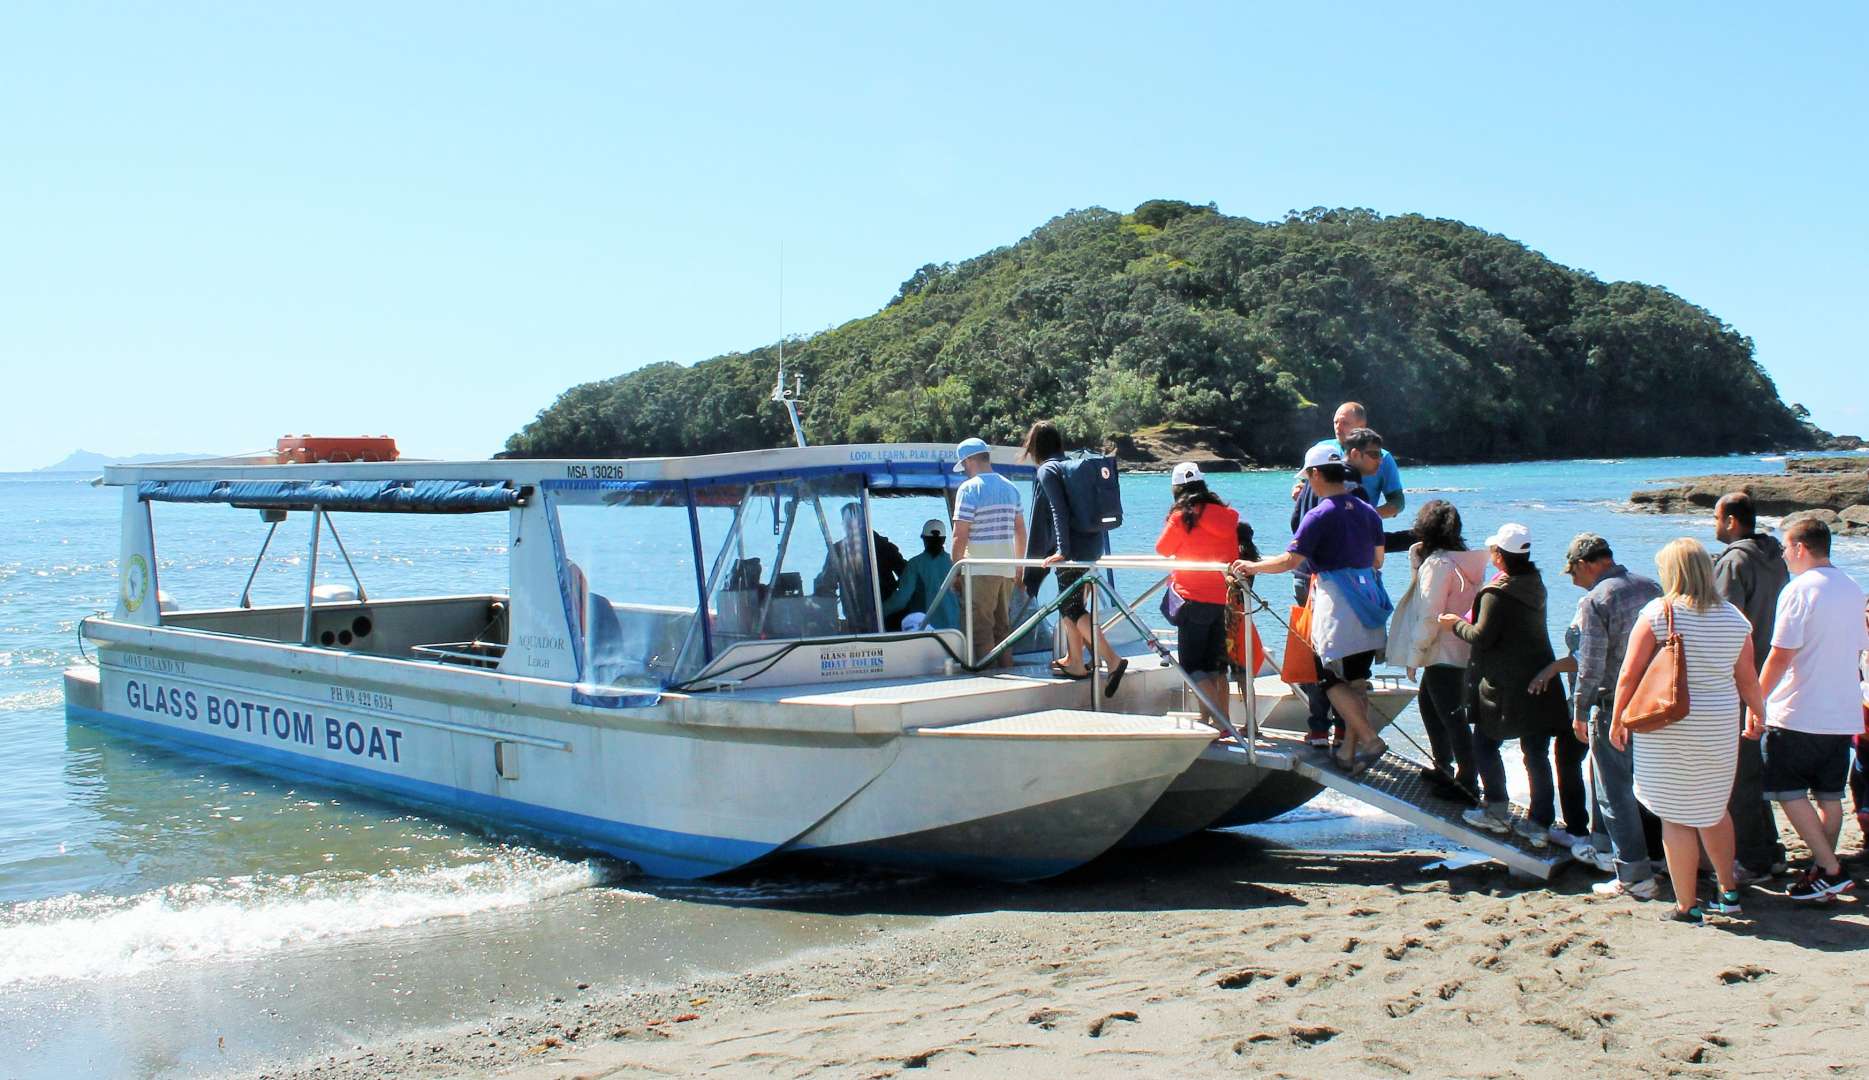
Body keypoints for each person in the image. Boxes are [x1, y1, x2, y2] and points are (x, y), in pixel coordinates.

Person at [1609, 539, 1766, 925]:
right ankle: (1728, 893)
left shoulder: (1659, 613)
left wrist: (1617, 718)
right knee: (1714, 810)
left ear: (1672, 572)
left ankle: (1686, 905)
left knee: (1675, 817)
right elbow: (1747, 678)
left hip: (1669, 724)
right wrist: (1758, 715)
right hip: (1717, 725)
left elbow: (1629, 673)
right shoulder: (1734, 618)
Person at [1234, 444, 1389, 774]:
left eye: (1307, 477)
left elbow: (1292, 561)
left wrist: (1252, 566)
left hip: (1338, 604)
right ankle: (1348, 753)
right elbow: (1378, 559)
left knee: (1328, 679)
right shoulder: (1368, 511)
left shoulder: (1318, 515)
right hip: (1369, 603)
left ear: (1316, 475)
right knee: (1357, 680)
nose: (1307, 483)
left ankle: (1370, 740)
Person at [1438, 524, 1575, 846]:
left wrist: (1453, 623)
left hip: (1506, 686)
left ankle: (1497, 811)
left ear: (1499, 556)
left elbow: (1480, 637)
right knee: (1536, 753)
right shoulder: (1534, 583)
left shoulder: (1497, 593)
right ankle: (1540, 822)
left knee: (1484, 745)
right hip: (1540, 679)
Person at [1542, 533, 1664, 896]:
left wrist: (1579, 709)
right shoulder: (1651, 586)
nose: (1574, 580)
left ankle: (1633, 874)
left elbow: (1591, 663)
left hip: (1614, 703)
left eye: (1573, 572)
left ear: (1585, 564)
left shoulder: (1598, 598)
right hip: (1654, 701)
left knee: (1614, 790)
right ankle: (1655, 856)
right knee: (1649, 785)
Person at [1756, 516, 1868, 901]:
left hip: (1799, 710)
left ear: (1801, 548)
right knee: (1829, 796)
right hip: (1842, 710)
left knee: (1787, 791)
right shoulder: (1852, 588)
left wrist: (1756, 699)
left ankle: (1832, 869)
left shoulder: (1800, 589)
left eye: (1787, 548)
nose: (1785, 556)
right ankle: (1822, 871)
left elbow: (1781, 654)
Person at [1386, 499, 1490, 801]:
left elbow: (1429, 614)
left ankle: (1467, 780)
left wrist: (1415, 655)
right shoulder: (1467, 561)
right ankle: (1444, 765)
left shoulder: (1438, 565)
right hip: (1463, 647)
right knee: (1431, 705)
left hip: (1440, 650)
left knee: (1450, 715)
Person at [1712, 492, 1792, 883]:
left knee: (1738, 774)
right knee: (1754, 769)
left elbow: (1725, 625)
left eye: (1716, 519)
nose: (1713, 526)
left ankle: (1754, 859)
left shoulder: (1734, 562)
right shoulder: (1776, 557)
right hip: (1769, 674)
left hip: (1739, 678)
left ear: (1730, 521)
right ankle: (1770, 851)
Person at [1022, 421, 1126, 694]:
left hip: (1073, 552)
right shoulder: (1068, 467)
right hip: (1091, 546)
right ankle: (1076, 661)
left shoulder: (1047, 470)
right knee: (1069, 605)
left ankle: (1113, 660)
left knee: (1071, 608)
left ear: (1035, 447)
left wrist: (1061, 551)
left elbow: (1058, 512)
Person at [1154, 462, 1240, 729]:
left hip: (1191, 598)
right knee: (1214, 667)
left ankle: (1222, 722)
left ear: (1176, 489)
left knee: (1192, 666)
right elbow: (1233, 556)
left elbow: (1162, 548)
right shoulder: (1227, 515)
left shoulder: (1183, 515)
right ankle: (1210, 720)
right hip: (1221, 599)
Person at [949, 437, 1027, 666]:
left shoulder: (969, 489)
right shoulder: (1010, 488)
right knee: (1003, 630)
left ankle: (987, 679)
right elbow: (1021, 532)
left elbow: (959, 535)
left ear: (970, 460)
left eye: (964, 464)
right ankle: (1009, 673)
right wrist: (1019, 568)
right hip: (1006, 570)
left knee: (980, 630)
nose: (964, 470)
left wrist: (956, 571)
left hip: (980, 570)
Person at [813, 503, 905, 632]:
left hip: (867, 619)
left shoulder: (839, 550)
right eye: (847, 523)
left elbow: (826, 586)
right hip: (879, 618)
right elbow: (906, 574)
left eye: (850, 522)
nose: (848, 526)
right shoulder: (882, 546)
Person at [883, 518, 961, 633]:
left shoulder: (915, 564)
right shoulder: (955, 564)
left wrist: (879, 611)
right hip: (955, 631)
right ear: (944, 539)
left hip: (925, 630)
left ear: (924, 539)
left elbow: (901, 599)